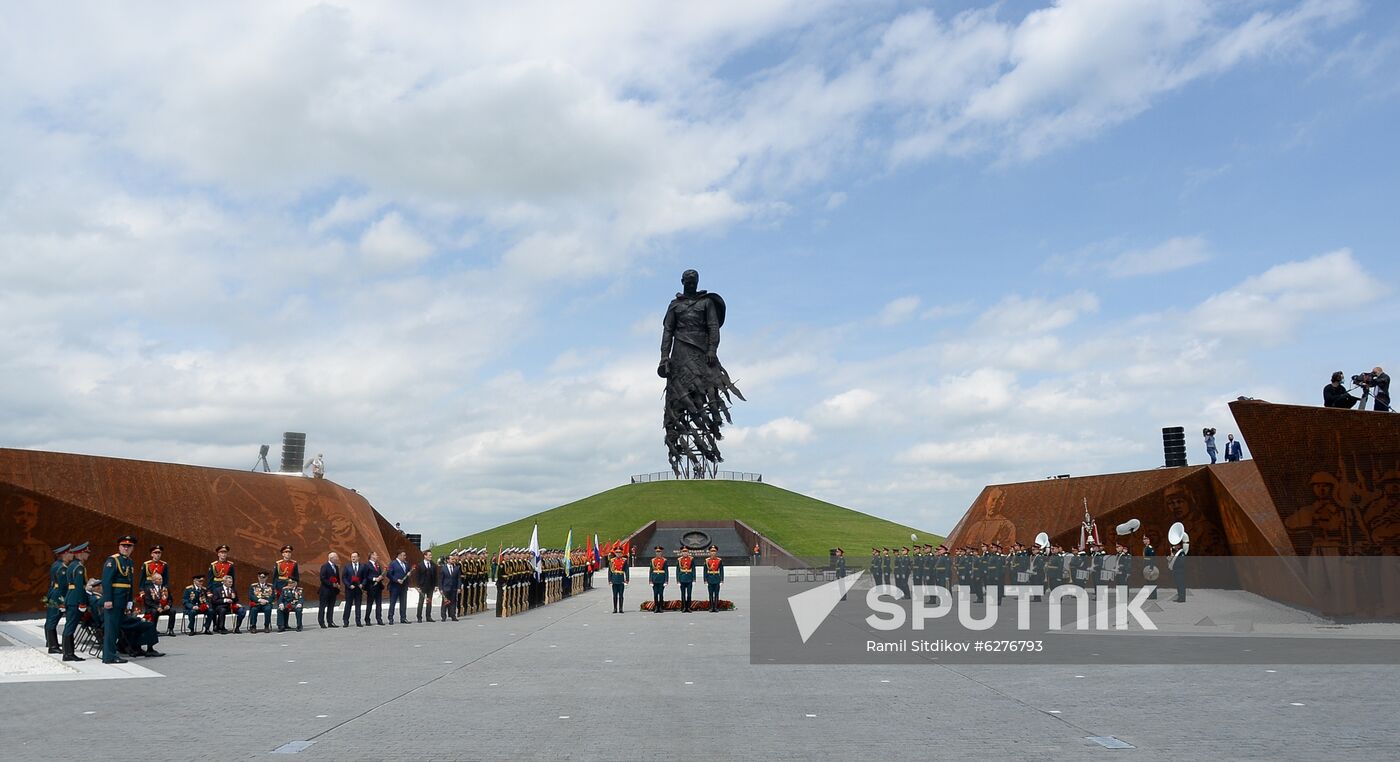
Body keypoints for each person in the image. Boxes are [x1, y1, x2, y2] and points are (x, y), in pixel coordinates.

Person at [100, 535, 139, 664]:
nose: (126, 548)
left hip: (123, 599)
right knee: (111, 628)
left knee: (116, 628)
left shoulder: (129, 562)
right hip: (114, 599)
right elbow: (106, 581)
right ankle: (109, 656)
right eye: (124, 546)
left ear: (132, 548)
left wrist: (130, 601)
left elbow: (130, 583)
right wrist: (108, 599)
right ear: (119, 547)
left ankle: (112, 653)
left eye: (129, 546)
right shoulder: (113, 560)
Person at [44, 544, 73, 654]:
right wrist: (63, 601)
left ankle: (50, 642)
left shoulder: (56, 565)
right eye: (70, 553)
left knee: (51, 618)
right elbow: (63, 587)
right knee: (53, 619)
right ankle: (53, 646)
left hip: (54, 593)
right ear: (64, 554)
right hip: (58, 595)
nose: (72, 555)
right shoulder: (62, 568)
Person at [342, 551, 366, 627]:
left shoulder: (362, 566)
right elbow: (344, 578)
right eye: (352, 557)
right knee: (348, 605)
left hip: (358, 589)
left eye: (355, 557)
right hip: (350, 589)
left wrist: (362, 584)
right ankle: (346, 621)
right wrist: (349, 585)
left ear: (358, 557)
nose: (353, 558)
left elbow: (365, 577)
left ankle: (358, 621)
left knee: (358, 605)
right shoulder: (347, 567)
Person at [318, 552, 341, 628]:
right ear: (331, 558)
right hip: (325, 590)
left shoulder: (336, 567)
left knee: (331, 607)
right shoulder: (325, 566)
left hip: (333, 591)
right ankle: (321, 622)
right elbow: (323, 578)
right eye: (336, 557)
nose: (337, 559)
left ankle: (330, 622)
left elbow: (337, 578)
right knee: (323, 607)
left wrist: (338, 584)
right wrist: (331, 584)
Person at [387, 549, 410, 624]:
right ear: (399, 555)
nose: (405, 557)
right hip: (395, 586)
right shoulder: (393, 563)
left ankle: (403, 617)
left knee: (403, 602)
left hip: (403, 586)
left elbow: (407, 572)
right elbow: (389, 574)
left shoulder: (406, 564)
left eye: (405, 555)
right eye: (403, 555)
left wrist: (409, 574)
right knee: (393, 602)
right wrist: (396, 580)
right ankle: (391, 618)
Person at [414, 549, 437, 623]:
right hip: (422, 586)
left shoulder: (433, 565)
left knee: (429, 602)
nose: (431, 556)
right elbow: (417, 576)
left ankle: (428, 616)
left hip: (430, 586)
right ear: (425, 556)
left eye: (431, 555)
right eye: (429, 555)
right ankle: (419, 617)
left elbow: (435, 576)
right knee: (421, 601)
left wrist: (435, 585)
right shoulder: (420, 565)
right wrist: (417, 586)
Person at [364, 550, 385, 625]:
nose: (377, 556)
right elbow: (366, 576)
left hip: (378, 587)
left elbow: (380, 574)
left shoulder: (377, 565)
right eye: (376, 555)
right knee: (370, 604)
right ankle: (367, 619)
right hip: (371, 587)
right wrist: (374, 579)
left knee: (379, 604)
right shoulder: (367, 565)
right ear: (372, 556)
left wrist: (381, 577)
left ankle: (379, 619)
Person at [438, 551, 460, 622]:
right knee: (445, 602)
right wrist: (440, 589)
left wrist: (459, 587)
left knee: (453, 602)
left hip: (453, 588)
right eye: (452, 559)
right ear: (448, 560)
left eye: (454, 559)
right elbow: (440, 579)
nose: (453, 560)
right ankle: (443, 616)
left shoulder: (456, 568)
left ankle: (453, 615)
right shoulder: (443, 568)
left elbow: (459, 578)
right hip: (445, 588)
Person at [703, 545, 724, 612]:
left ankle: (716, 607)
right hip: (710, 578)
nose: (713, 552)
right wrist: (705, 580)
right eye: (712, 551)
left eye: (714, 551)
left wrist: (721, 580)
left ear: (716, 552)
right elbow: (705, 570)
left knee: (717, 594)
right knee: (710, 594)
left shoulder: (719, 560)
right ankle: (711, 607)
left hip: (717, 578)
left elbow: (721, 570)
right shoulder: (707, 560)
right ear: (709, 552)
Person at [648, 545, 669, 613]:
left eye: (659, 552)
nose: (658, 553)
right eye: (657, 552)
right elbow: (651, 571)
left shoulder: (664, 560)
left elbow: (666, 571)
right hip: (654, 579)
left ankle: (661, 607)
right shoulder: (653, 560)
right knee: (655, 594)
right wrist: (650, 580)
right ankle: (656, 607)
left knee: (661, 594)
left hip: (661, 579)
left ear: (661, 552)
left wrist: (666, 581)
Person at [608, 546, 629, 613]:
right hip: (614, 579)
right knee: (614, 595)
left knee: (621, 595)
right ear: (615, 553)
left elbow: (627, 570)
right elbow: (610, 571)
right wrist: (610, 580)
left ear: (622, 553)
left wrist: (627, 579)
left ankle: (620, 608)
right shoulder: (612, 561)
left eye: (619, 552)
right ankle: (615, 608)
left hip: (621, 579)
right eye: (617, 552)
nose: (618, 554)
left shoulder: (624, 560)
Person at [1142, 536, 1158, 600]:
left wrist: (1151, 568)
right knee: (1148, 581)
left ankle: (1153, 595)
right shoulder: (1145, 548)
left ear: (1148, 540)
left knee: (1152, 581)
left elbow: (1152, 558)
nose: (1143, 540)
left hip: (1150, 566)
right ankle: (1151, 595)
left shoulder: (1150, 548)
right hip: (1146, 566)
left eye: (1145, 539)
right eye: (1143, 539)